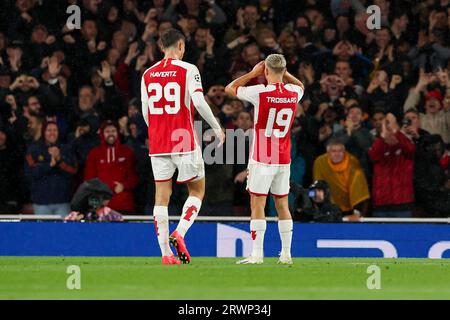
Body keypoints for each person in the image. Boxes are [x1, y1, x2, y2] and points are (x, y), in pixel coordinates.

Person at [141, 29, 224, 265]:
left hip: (158, 143)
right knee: (197, 191)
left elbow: (146, 111)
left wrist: (159, 130)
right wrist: (216, 127)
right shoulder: (188, 69)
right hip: (184, 139)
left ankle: (165, 253)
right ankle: (181, 232)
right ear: (181, 46)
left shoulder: (147, 74)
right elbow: (198, 101)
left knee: (161, 197)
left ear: (160, 46)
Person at [225, 54, 304, 265]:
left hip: (262, 157)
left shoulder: (260, 92)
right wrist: (285, 73)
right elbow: (301, 85)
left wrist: (252, 73)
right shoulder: (294, 92)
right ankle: (286, 254)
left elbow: (230, 88)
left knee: (257, 204)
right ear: (284, 70)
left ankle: (257, 254)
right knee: (282, 205)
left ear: (266, 71)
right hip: (283, 158)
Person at [25, 121, 77, 217]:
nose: (52, 133)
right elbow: (31, 173)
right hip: (41, 202)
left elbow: (72, 171)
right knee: (43, 232)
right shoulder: (33, 149)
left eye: (55, 130)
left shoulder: (65, 149)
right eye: (49, 130)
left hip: (63, 202)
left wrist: (59, 160)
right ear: (43, 132)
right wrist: (49, 165)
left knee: (63, 232)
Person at [313, 138, 370, 219]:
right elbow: (318, 185)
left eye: (340, 151)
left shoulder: (353, 163)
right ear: (328, 152)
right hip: (329, 207)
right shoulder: (320, 162)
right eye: (334, 151)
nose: (337, 154)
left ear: (344, 152)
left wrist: (357, 212)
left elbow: (359, 189)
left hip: (350, 208)